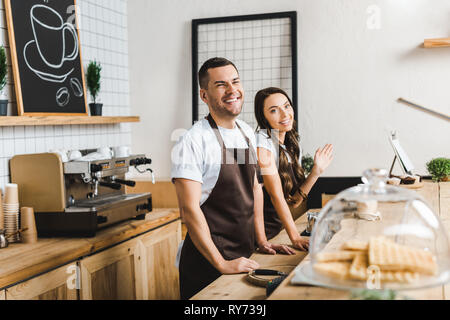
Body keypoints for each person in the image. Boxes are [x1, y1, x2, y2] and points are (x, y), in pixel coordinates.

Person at [171, 58, 293, 300]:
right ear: (204, 96)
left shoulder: (246, 132)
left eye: (235, 81)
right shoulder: (193, 141)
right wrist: (220, 263)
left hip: (244, 256)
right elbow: (189, 210)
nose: (231, 90)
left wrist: (261, 241)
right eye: (221, 85)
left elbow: (255, 188)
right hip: (208, 265)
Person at [254, 87, 334, 250]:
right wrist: (295, 237)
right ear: (264, 117)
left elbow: (294, 202)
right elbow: (275, 196)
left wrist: (316, 172)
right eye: (274, 110)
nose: (285, 114)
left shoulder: (289, 145)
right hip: (259, 237)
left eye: (287, 106)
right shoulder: (262, 143)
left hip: (278, 232)